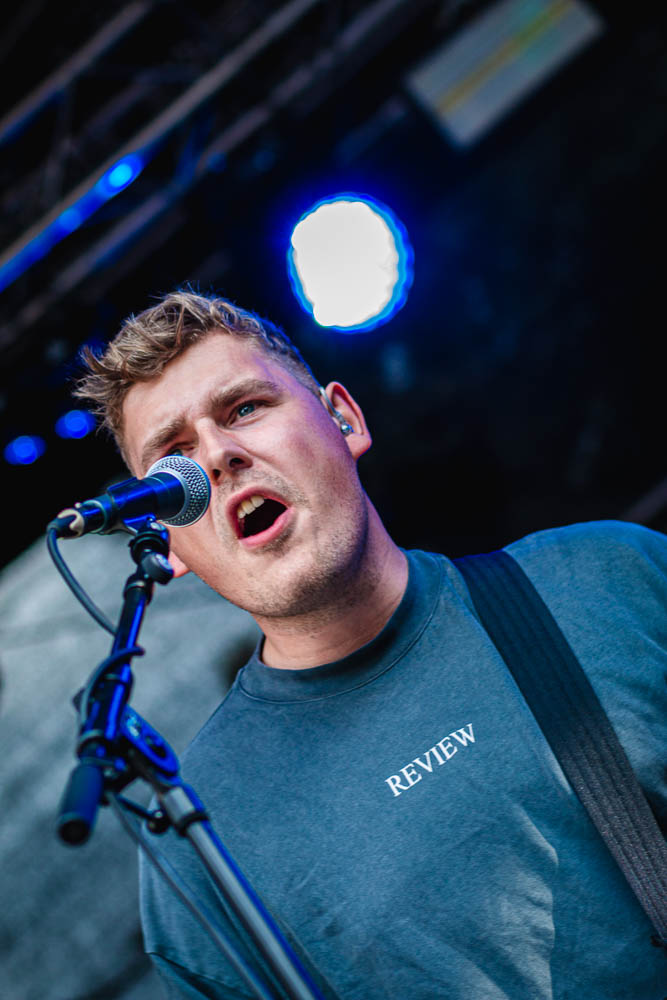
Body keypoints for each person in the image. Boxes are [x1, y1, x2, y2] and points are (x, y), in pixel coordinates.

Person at [76, 290, 666, 999]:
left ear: (343, 419)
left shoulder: (609, 576)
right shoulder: (199, 834)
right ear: (167, 546)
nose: (218, 458)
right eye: (174, 461)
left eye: (245, 409)